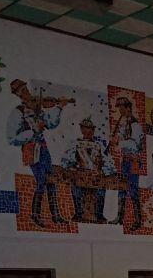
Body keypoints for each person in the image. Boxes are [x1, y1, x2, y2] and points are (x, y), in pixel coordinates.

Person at [8, 78, 69, 228]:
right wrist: (33, 130)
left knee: (51, 181)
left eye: (26, 89)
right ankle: (35, 214)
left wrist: (59, 107)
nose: (26, 93)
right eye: (22, 91)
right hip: (31, 150)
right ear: (17, 95)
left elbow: (51, 123)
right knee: (41, 181)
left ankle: (56, 215)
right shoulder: (18, 112)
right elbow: (12, 138)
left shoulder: (37, 108)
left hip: (43, 148)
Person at [60, 117, 114, 223]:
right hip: (81, 173)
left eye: (90, 129)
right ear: (81, 130)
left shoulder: (99, 145)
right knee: (75, 187)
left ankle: (99, 214)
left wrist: (104, 171)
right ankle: (78, 213)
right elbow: (66, 160)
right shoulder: (75, 144)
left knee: (101, 189)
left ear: (93, 130)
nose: (88, 131)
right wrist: (72, 167)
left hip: (96, 175)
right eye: (85, 128)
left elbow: (108, 161)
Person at [110, 96, 144, 231]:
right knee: (122, 188)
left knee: (133, 190)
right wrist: (116, 138)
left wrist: (119, 142)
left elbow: (136, 145)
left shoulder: (135, 125)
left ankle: (138, 220)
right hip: (125, 161)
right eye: (119, 108)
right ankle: (119, 217)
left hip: (133, 161)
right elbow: (121, 138)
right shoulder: (124, 124)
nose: (120, 111)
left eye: (122, 108)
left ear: (128, 108)